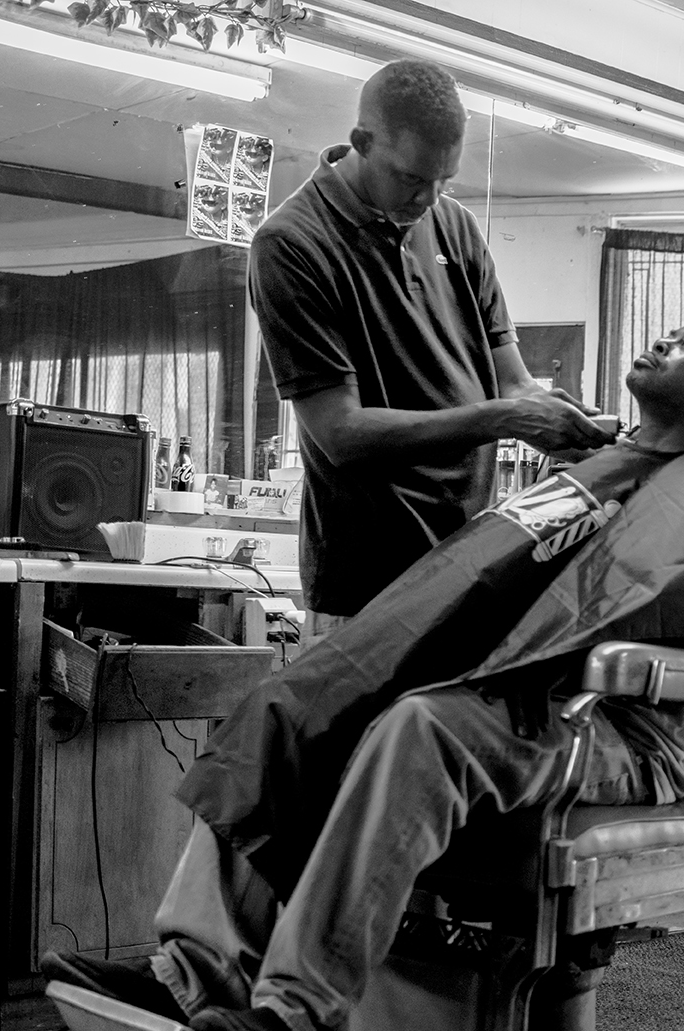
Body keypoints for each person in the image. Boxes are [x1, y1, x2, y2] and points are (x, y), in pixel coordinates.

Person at [44, 322, 684, 1031]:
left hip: (622, 726)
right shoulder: (591, 471)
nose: (666, 340)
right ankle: (191, 981)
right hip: (521, 699)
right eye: (671, 332)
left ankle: (296, 1020)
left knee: (419, 728)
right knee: (297, 708)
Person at [250, 58, 616, 624]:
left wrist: (582, 440)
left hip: (467, 567)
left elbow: (512, 382)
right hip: (367, 584)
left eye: (445, 179)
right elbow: (340, 432)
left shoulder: (456, 225)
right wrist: (502, 418)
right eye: (412, 178)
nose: (428, 198)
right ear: (362, 143)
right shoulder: (292, 244)